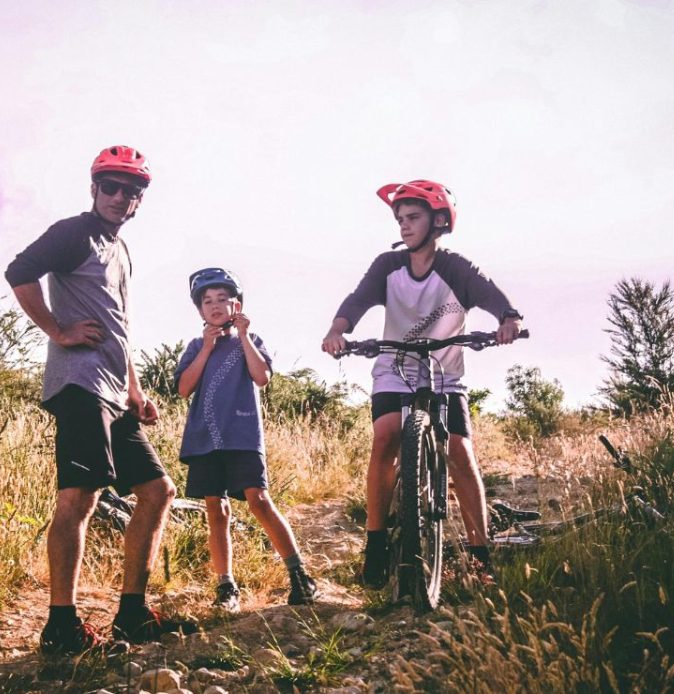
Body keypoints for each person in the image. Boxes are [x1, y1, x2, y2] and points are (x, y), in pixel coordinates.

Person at [5, 145, 197, 654]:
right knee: (80, 497)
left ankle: (132, 615)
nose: (118, 197)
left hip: (115, 392)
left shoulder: (121, 249)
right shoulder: (74, 232)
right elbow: (18, 273)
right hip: (80, 386)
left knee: (158, 492)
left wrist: (134, 389)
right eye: (109, 187)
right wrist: (57, 329)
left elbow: (120, 327)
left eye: (130, 191)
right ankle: (61, 627)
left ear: (139, 201)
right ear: (94, 189)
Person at [320, 179, 524, 587]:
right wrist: (337, 331)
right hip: (395, 366)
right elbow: (356, 302)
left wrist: (509, 320)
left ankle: (480, 556)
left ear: (439, 221)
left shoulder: (455, 268)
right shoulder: (387, 266)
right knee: (386, 434)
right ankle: (376, 546)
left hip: (444, 372)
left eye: (413, 217)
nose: (404, 226)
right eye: (400, 219)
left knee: (460, 453)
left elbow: (492, 296)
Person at [174, 268, 318, 612]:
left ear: (236, 304)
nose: (214, 305)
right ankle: (226, 587)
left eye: (222, 299)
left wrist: (244, 336)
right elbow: (183, 389)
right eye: (207, 301)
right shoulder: (195, 346)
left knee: (259, 500)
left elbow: (261, 377)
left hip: (242, 434)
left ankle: (299, 575)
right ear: (199, 310)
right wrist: (207, 349)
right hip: (205, 439)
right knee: (216, 509)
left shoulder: (250, 341)